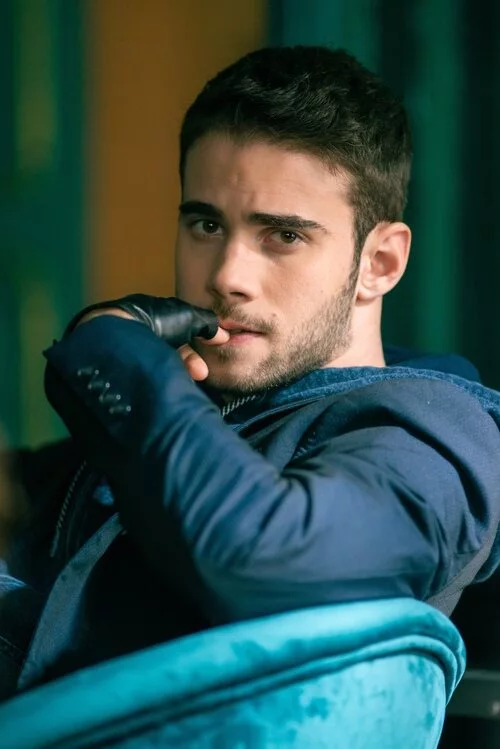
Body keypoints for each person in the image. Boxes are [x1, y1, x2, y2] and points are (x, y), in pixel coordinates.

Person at [1, 45, 500, 701]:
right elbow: (30, 498)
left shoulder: (432, 441)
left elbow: (273, 560)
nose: (227, 276)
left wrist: (111, 354)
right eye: (206, 224)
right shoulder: (209, 401)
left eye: (283, 236)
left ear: (378, 263)